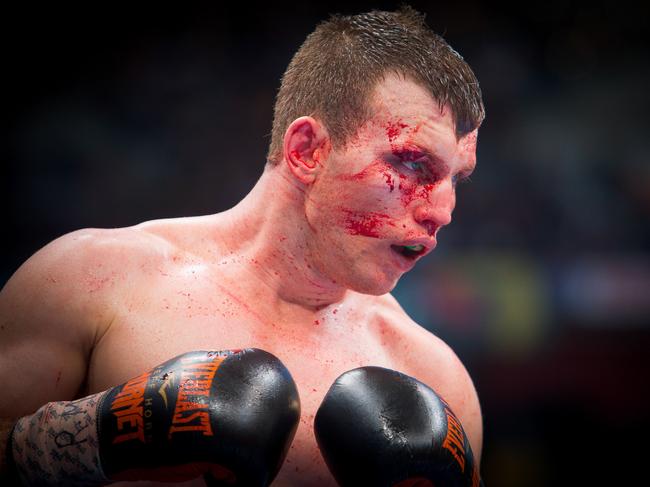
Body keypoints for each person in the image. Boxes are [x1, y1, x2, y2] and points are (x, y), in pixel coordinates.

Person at [0, 7, 485, 487]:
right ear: (307, 151)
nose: (441, 209)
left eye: (455, 178)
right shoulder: (92, 280)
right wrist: (95, 435)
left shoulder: (434, 376)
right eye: (413, 163)